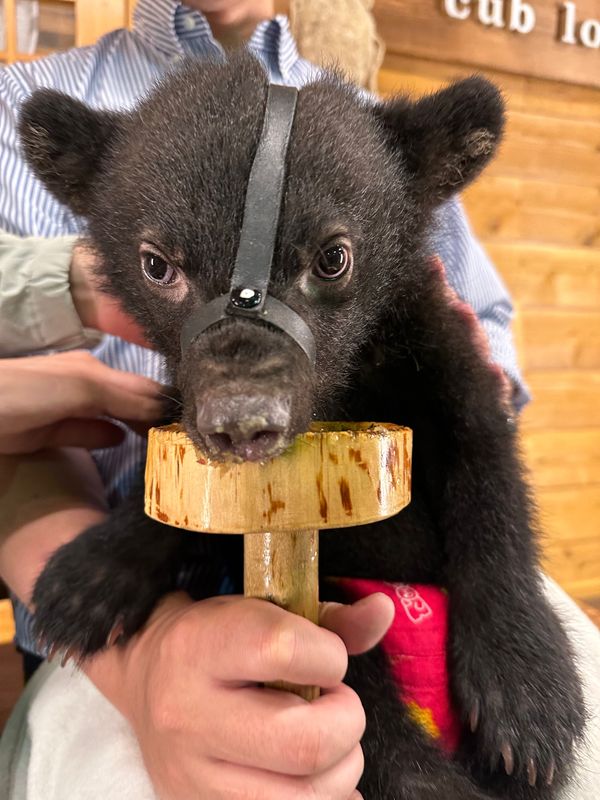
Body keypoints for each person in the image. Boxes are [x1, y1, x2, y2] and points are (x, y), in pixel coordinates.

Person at [8, 2, 592, 799]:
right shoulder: (20, 104)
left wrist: (503, 600)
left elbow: (484, 401)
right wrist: (137, 582)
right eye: (160, 269)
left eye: (332, 261)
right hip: (192, 616)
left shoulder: (358, 132)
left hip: (434, 563)